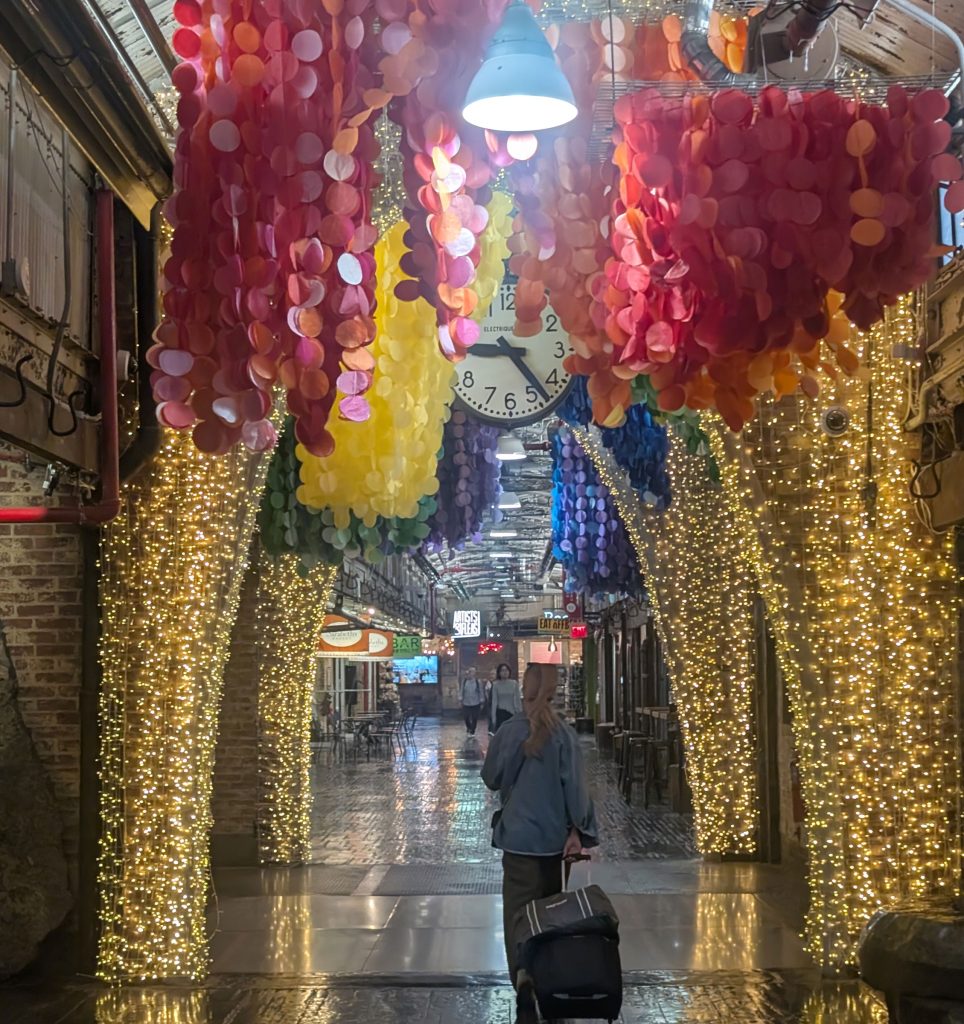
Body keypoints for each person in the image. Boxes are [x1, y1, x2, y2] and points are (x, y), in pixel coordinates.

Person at [481, 663, 598, 1021]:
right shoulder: (563, 734)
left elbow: (491, 778)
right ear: (553, 690)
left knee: (518, 916)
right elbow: (575, 790)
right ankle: (546, 977)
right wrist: (580, 832)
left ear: (524, 690)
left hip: (516, 842)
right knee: (548, 917)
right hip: (552, 844)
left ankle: (523, 978)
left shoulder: (507, 731)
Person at [489, 662, 522, 732]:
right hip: (500, 713)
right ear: (499, 672)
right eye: (502, 670)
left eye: (506, 670)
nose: (505, 672)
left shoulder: (514, 684)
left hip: (512, 714)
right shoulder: (495, 684)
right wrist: (493, 717)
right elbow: (494, 701)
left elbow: (517, 700)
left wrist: (519, 713)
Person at [460, 665, 484, 736]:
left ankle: (472, 730)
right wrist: (460, 699)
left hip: (476, 702)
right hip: (466, 702)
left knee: (474, 717)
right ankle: (469, 727)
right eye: (469, 671)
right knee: (466, 717)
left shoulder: (477, 682)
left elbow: (480, 691)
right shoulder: (464, 681)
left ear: (474, 673)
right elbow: (462, 691)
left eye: (472, 672)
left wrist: (481, 700)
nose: (470, 673)